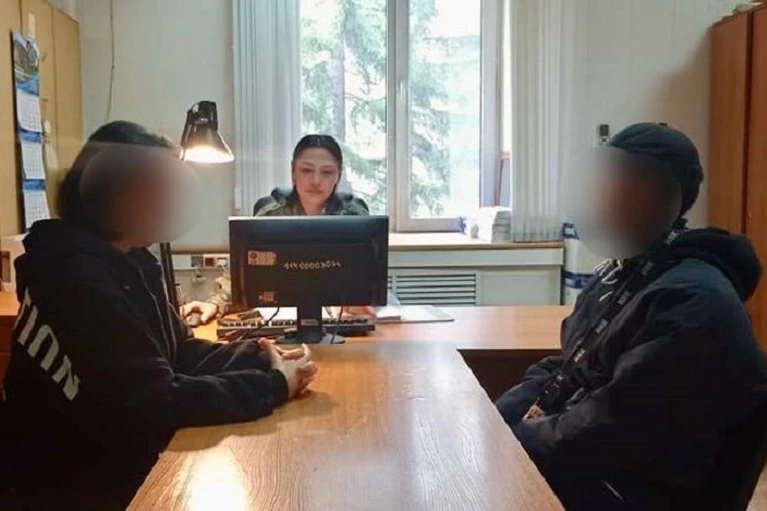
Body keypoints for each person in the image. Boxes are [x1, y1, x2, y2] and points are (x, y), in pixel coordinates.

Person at [0, 121, 318, 510]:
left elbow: (176, 352)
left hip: (113, 463)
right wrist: (273, 385)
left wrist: (260, 355)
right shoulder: (73, 279)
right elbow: (155, 402)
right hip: (65, 488)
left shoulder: (130, 258)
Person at [496, 123, 767, 510]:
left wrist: (515, 445)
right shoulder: (627, 271)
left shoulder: (692, 303)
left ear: (667, 201)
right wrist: (495, 419)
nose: (609, 197)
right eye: (608, 183)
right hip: (603, 469)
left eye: (630, 186)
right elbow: (572, 368)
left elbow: (612, 428)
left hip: (639, 491)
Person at [182, 134, 372, 322]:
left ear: (339, 175)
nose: (316, 180)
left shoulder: (355, 217)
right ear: (293, 171)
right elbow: (241, 276)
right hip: (282, 323)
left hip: (341, 322)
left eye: (327, 172)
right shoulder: (271, 214)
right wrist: (214, 303)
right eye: (306, 170)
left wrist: (360, 300)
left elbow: (370, 277)